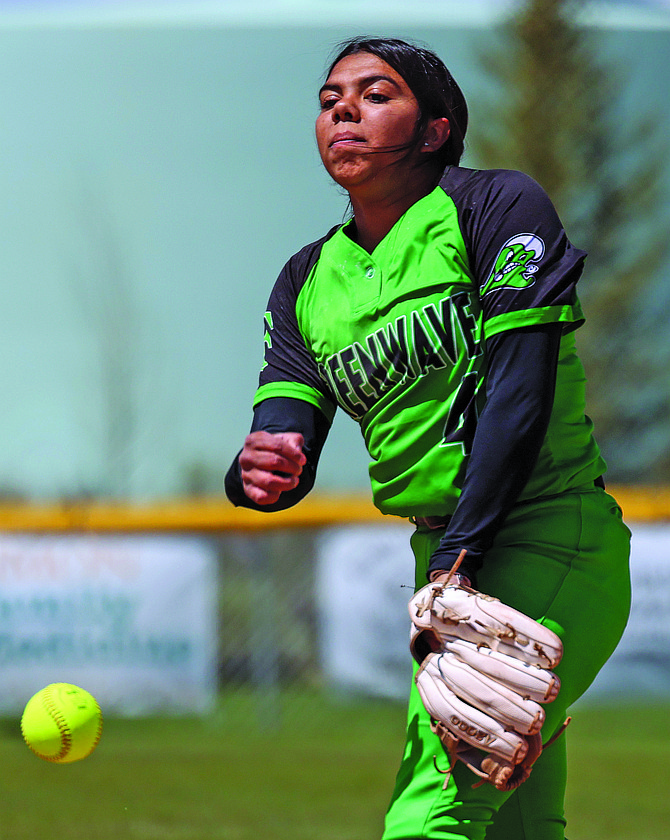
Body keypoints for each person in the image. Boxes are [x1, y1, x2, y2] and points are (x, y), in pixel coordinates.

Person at [225, 36, 631, 840]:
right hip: (445, 562)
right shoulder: (307, 280)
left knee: (432, 811)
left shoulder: (495, 208)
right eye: (330, 98)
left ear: (437, 128)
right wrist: (260, 468)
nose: (343, 108)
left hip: (544, 539)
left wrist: (460, 563)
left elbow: (519, 392)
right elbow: (286, 425)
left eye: (376, 94)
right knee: (515, 826)